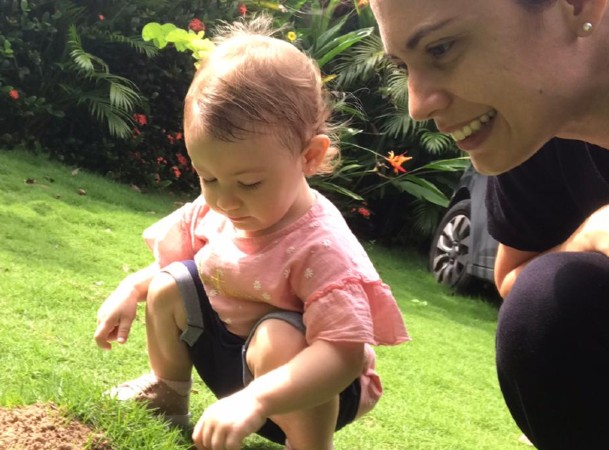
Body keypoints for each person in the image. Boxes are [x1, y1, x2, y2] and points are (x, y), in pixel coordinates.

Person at [93, 16, 409, 450]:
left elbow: (343, 355)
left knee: (277, 335)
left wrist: (257, 399)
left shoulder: (322, 245)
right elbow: (172, 269)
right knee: (171, 283)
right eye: (208, 178)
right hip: (237, 364)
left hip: (316, 385)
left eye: (249, 183)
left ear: (309, 156)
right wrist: (131, 288)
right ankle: (166, 397)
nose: (225, 201)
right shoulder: (218, 208)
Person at [370, 0, 609, 448]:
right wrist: (592, 235)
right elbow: (514, 277)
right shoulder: (530, 121)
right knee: (549, 304)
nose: (417, 105)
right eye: (403, 66)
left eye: (442, 48)